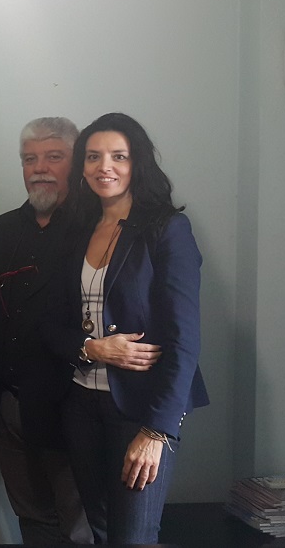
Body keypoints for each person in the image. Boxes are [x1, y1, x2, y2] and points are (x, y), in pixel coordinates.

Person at [42, 112, 209, 544]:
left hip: (141, 409)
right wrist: (92, 348)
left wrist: (157, 431)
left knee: (133, 537)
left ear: (138, 163)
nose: (105, 167)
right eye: (93, 156)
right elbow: (49, 324)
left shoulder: (167, 229)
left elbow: (184, 340)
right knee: (99, 532)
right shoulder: (74, 230)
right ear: (82, 167)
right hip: (81, 404)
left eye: (119, 156)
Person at [0, 117, 92, 545]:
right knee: (32, 518)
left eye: (53, 157)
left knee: (80, 527)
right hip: (9, 405)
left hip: (72, 406)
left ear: (76, 164)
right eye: (30, 159)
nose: (39, 168)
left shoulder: (97, 231)